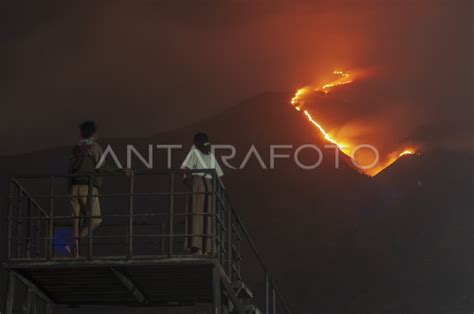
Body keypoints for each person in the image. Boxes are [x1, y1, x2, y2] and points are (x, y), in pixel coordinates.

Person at [181, 132, 224, 255]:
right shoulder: (203, 154)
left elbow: (184, 169)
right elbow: (219, 175)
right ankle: (202, 247)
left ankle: (202, 247)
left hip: (203, 183)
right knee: (203, 213)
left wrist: (185, 180)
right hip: (204, 183)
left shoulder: (202, 153)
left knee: (202, 213)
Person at [67, 121, 104, 257]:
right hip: (87, 186)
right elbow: (101, 167)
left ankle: (75, 253)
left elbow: (69, 170)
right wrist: (120, 169)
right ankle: (72, 245)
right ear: (93, 132)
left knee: (75, 221)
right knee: (95, 220)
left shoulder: (75, 149)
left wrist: (69, 189)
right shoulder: (95, 147)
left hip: (73, 187)